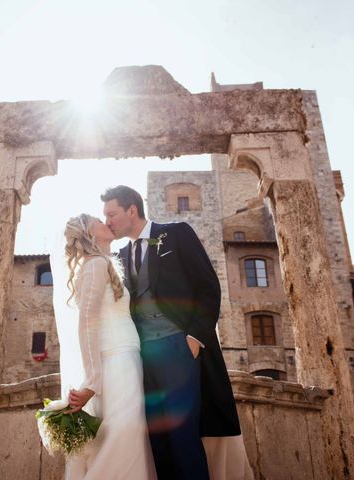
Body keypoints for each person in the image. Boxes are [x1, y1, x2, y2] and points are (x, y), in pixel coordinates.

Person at [101, 185, 251, 480]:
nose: (107, 221)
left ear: (132, 210)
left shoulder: (176, 233)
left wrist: (194, 338)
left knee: (183, 436)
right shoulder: (120, 254)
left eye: (111, 213)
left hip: (178, 347)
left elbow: (208, 286)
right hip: (140, 355)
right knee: (157, 440)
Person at [53, 214, 156, 479]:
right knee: (125, 433)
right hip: (116, 360)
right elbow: (86, 323)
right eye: (99, 221)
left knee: (125, 434)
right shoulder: (95, 264)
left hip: (127, 358)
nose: (106, 223)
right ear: (90, 234)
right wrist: (93, 381)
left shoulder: (104, 263)